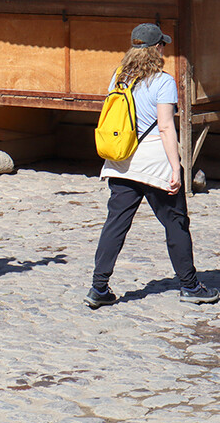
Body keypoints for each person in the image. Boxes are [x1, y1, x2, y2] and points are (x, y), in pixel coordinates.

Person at [87, 23, 219, 307]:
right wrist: (176, 167)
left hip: (121, 162)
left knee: (115, 225)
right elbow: (165, 128)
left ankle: (98, 288)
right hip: (154, 165)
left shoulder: (118, 78)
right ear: (157, 49)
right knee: (176, 223)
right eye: (162, 45)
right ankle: (190, 286)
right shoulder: (163, 81)